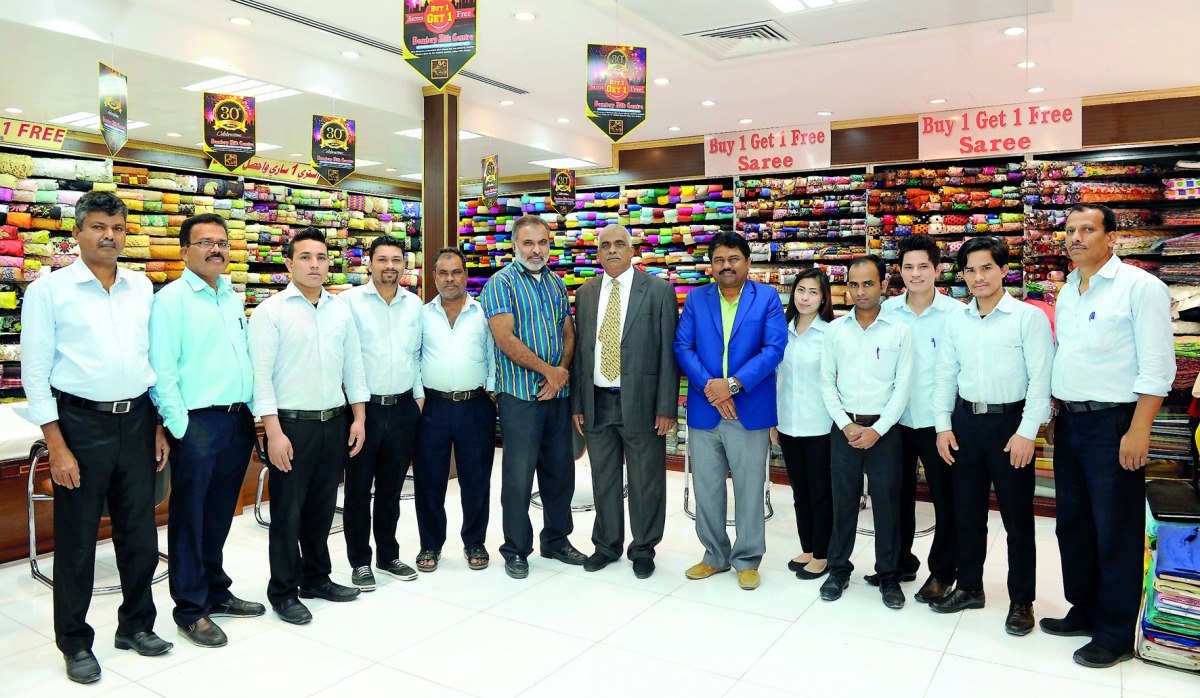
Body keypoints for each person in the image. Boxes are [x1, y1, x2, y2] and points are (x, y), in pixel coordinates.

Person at [21, 191, 172, 684]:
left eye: (118, 228)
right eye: (99, 227)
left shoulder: (141, 285)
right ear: (78, 233)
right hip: (80, 426)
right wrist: (57, 445)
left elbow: (147, 359)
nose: (110, 235)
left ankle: (136, 626)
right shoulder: (50, 290)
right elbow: (36, 373)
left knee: (139, 535)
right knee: (79, 540)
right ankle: (74, 642)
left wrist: (154, 426)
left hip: (137, 420)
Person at [1042, 204, 1175, 668]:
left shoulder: (1140, 288)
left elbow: (1159, 366)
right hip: (1072, 421)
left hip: (1115, 424)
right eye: (1070, 230)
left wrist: (1140, 429)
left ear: (1111, 237)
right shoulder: (1068, 291)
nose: (1076, 238)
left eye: (1087, 230)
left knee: (1115, 528)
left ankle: (1116, 632)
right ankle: (1085, 609)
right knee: (1073, 524)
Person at [149, 213, 262, 649]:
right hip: (196, 422)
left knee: (219, 514)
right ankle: (190, 610)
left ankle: (216, 590)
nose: (216, 249)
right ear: (184, 251)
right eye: (205, 243)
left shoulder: (231, 297)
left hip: (236, 420)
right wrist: (180, 426)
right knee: (189, 519)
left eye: (222, 242)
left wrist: (251, 414)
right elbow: (162, 370)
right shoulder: (171, 301)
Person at [931, 236, 1053, 636]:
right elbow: (945, 375)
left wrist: (1026, 432)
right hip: (966, 423)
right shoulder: (956, 320)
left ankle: (1021, 600)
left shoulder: (1026, 317)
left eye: (986, 267)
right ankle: (969, 587)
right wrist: (943, 426)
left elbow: (1040, 380)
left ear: (1004, 270)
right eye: (970, 269)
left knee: (1018, 518)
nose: (978, 277)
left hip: (1009, 425)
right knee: (967, 513)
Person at [248, 228, 369, 625]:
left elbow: (353, 366)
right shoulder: (272, 311)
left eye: (320, 257)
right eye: (305, 257)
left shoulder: (339, 309)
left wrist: (360, 417)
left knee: (320, 510)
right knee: (288, 514)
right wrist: (273, 432)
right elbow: (260, 377)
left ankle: (317, 579)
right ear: (288, 264)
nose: (314, 264)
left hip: (334, 421)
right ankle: (283, 591)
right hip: (291, 426)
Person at [674, 231, 787, 591]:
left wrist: (733, 385)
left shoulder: (767, 297)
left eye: (733, 258)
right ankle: (714, 557)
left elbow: (774, 348)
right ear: (711, 265)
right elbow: (682, 346)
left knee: (750, 487)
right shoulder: (696, 299)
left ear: (747, 261)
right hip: (707, 409)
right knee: (707, 487)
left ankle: (748, 558)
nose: (726, 265)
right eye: (719, 259)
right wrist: (712, 387)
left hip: (748, 409)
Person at [570, 224, 680, 579]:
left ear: (633, 251)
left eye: (620, 244)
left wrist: (666, 406)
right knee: (603, 478)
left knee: (646, 480)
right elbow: (580, 355)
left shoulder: (659, 291)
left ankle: (644, 548)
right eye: (605, 245)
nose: (612, 250)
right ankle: (606, 545)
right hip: (597, 400)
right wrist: (578, 404)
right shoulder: (586, 293)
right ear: (598, 253)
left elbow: (668, 353)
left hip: (644, 404)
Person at [480, 214, 584, 579]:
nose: (536, 249)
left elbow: (568, 333)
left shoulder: (556, 283)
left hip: (557, 394)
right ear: (514, 245)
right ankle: (516, 549)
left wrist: (560, 376)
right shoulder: (500, 284)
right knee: (518, 477)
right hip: (521, 396)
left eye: (542, 242)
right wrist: (548, 372)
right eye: (528, 243)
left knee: (560, 473)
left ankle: (556, 540)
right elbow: (504, 338)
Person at [819, 255, 914, 609]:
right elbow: (827, 382)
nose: (860, 291)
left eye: (868, 283)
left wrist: (877, 429)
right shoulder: (835, 330)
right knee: (842, 500)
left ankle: (889, 576)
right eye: (854, 284)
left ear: (884, 286)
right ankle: (839, 569)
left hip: (885, 431)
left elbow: (902, 387)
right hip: (843, 427)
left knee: (887, 505)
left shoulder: (899, 331)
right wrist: (845, 424)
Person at [880, 234, 961, 604]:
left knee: (946, 499)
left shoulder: (957, 314)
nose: (915, 274)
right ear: (899, 271)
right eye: (908, 267)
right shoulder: (886, 312)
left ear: (937, 270)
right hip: (894, 421)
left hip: (937, 423)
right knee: (897, 496)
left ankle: (943, 573)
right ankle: (898, 563)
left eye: (923, 267)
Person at [339, 236, 423, 587]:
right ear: (369, 264)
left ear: (405, 265)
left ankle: (389, 555)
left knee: (391, 489)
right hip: (363, 411)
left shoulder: (414, 304)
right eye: (383, 259)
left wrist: (417, 400)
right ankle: (360, 561)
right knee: (358, 489)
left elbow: (416, 355)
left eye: (397, 260)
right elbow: (345, 359)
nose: (390, 266)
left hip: (403, 407)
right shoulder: (348, 303)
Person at [414, 247, 497, 572]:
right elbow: (414, 356)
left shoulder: (482, 312)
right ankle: (430, 544)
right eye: (443, 273)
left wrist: (489, 391)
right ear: (434, 277)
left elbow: (492, 353)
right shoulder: (422, 314)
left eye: (456, 272)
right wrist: (419, 397)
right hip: (432, 406)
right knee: (429, 479)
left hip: (474, 405)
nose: (450, 279)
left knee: (476, 479)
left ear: (465, 274)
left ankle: (474, 541)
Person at [772, 268, 835, 581]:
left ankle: (823, 553)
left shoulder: (830, 334)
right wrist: (773, 420)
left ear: (824, 297)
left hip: (820, 426)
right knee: (800, 492)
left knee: (821, 492)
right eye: (801, 290)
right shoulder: (781, 330)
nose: (805, 297)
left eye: (813, 292)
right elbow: (775, 377)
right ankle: (808, 547)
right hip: (788, 423)